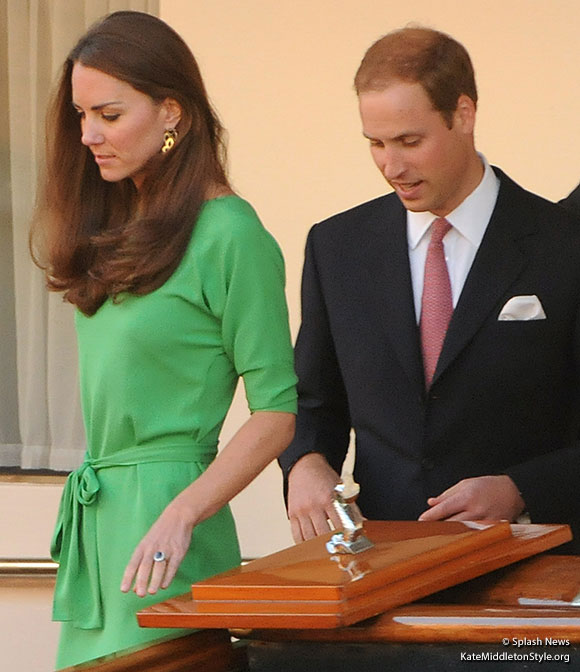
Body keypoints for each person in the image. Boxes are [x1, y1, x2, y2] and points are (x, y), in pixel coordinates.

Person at [30, 11, 297, 669]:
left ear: (172, 112)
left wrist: (183, 513)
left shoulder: (231, 234)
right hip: (102, 521)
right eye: (81, 115)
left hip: (169, 524)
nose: (88, 134)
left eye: (109, 115)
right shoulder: (122, 225)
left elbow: (277, 413)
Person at [279, 26, 580, 553]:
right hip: (383, 568)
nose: (392, 167)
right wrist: (305, 463)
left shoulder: (563, 244)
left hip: (531, 568)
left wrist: (522, 489)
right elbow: (313, 400)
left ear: (464, 114)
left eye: (410, 141)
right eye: (376, 143)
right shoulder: (337, 247)